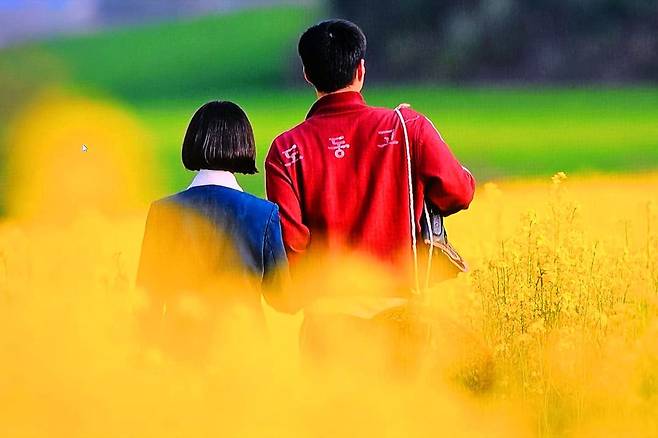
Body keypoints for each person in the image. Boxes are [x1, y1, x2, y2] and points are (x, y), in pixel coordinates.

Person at [264, 19, 475, 373]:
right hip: (402, 318)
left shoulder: (286, 149)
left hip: (327, 323)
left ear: (307, 75)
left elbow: (291, 244)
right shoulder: (408, 128)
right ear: (361, 70)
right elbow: (460, 193)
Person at [137, 101, 289, 358]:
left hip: (179, 352)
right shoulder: (263, 214)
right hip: (245, 353)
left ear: (192, 142)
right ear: (244, 144)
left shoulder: (163, 212)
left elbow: (147, 299)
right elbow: (282, 297)